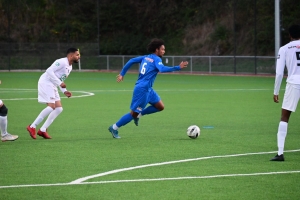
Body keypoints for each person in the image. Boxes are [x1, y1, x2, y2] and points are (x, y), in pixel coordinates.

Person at [108, 38, 188, 138]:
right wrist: (177, 67)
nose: (164, 51)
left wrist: (122, 73)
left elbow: (131, 60)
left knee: (160, 107)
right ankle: (114, 128)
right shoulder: (156, 59)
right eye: (162, 49)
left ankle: (139, 115)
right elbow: (162, 69)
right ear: (156, 49)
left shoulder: (146, 57)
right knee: (133, 114)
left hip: (148, 89)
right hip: (142, 90)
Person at [26, 48, 80, 139]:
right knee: (51, 106)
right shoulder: (62, 62)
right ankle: (32, 126)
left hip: (52, 85)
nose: (79, 57)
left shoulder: (70, 67)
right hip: (46, 82)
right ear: (71, 56)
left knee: (59, 108)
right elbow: (49, 71)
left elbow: (60, 80)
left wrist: (65, 91)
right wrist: (60, 83)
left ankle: (43, 130)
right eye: (77, 55)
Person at [270, 24, 300, 161]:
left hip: (294, 83)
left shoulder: (284, 49)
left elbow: (279, 72)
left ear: (289, 35)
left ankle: (280, 153)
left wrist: (276, 91)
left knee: (284, 117)